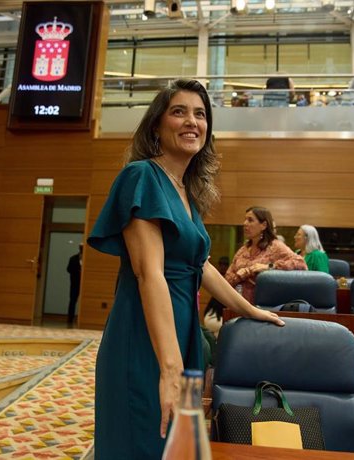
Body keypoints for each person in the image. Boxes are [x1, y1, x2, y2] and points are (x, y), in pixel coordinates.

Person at [87, 79, 285, 459]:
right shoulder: (142, 176)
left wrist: (250, 309)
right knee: (144, 442)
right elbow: (150, 274)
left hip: (183, 332)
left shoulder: (184, 191)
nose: (191, 121)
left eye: (200, 114)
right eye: (179, 111)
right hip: (147, 336)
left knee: (176, 445)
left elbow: (202, 267)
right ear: (157, 126)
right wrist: (170, 367)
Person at [225, 206, 307, 304]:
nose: (245, 223)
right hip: (237, 304)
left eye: (250, 220)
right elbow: (227, 281)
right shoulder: (243, 249)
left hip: (261, 307)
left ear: (263, 225)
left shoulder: (275, 246)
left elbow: (301, 263)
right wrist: (241, 275)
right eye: (245, 219)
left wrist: (269, 267)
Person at [66, 243, 83, 327]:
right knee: (73, 301)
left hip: (84, 284)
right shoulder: (73, 258)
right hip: (75, 282)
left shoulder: (87, 260)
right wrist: (78, 272)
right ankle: (70, 319)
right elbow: (68, 269)